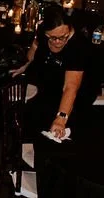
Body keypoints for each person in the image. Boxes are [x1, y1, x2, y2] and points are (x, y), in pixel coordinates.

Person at [14, 9, 90, 139]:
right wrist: (24, 65)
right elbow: (34, 49)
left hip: (66, 94)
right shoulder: (42, 34)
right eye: (53, 38)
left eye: (63, 37)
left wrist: (61, 117)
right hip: (44, 84)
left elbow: (70, 87)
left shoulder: (78, 46)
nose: (58, 42)